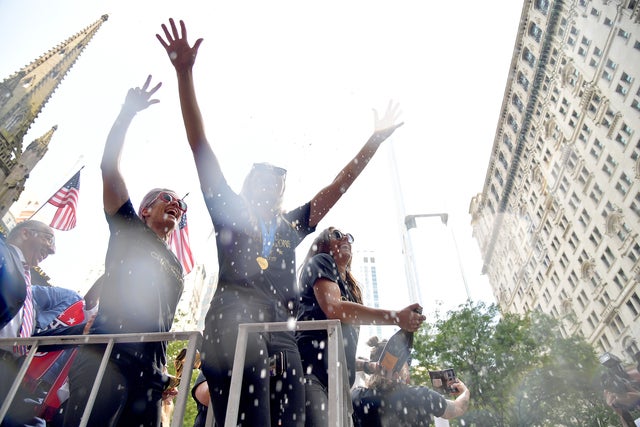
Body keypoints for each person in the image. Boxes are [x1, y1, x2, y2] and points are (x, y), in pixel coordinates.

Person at [157, 18, 403, 427]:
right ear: (249, 185)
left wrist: (373, 141)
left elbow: (337, 187)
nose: (272, 189)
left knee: (291, 419)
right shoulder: (229, 209)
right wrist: (185, 74)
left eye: (279, 184)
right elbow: (199, 144)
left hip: (281, 331)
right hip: (234, 323)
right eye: (264, 181)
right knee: (249, 417)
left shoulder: (292, 225)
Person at [61, 76, 186, 427]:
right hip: (107, 357)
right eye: (167, 199)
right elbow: (109, 169)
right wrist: (127, 114)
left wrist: (163, 374)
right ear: (145, 209)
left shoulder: (177, 266)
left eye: (181, 205)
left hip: (150, 377)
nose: (176, 205)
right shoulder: (129, 228)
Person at [296, 227, 426, 426]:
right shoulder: (321, 261)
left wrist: (368, 366)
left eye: (349, 236)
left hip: (338, 385)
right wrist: (397, 317)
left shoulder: (349, 289)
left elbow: (339, 347)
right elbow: (334, 309)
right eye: (337, 235)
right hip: (313, 374)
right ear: (323, 244)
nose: (346, 238)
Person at [0, 220, 56, 425]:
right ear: (25, 234)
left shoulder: (27, 280)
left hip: (11, 366)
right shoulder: (3, 252)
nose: (52, 250)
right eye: (48, 239)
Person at [351, 336, 470, 427]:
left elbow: (341, 365)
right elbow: (458, 408)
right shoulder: (421, 396)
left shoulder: (357, 397)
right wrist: (465, 392)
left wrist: (369, 366)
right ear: (402, 367)